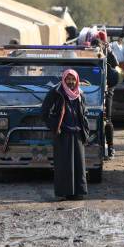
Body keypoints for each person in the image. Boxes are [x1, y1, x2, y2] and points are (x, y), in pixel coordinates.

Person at [41, 69, 89, 200]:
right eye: (68, 79)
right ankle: (62, 193)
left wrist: (85, 131)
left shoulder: (80, 94)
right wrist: (55, 126)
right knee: (63, 165)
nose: (71, 82)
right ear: (64, 79)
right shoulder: (56, 92)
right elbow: (45, 111)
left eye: (73, 79)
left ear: (77, 80)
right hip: (63, 134)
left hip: (77, 134)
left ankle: (78, 193)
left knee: (79, 165)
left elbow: (84, 114)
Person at [91, 38, 119, 159]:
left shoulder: (107, 58)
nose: (96, 50)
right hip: (92, 92)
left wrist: (110, 51)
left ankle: (111, 147)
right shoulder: (87, 59)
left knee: (107, 120)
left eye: (98, 47)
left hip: (107, 92)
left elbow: (116, 65)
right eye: (94, 48)